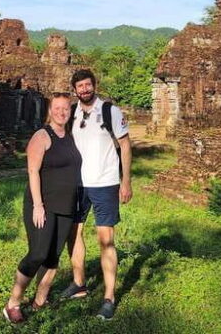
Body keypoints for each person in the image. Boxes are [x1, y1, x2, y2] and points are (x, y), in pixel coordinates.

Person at [60, 69, 132, 321]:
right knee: (73, 233)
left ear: (94, 85)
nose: (84, 89)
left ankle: (109, 297)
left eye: (88, 85)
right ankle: (79, 283)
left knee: (105, 239)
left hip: (104, 182)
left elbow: (124, 144)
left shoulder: (110, 110)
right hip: (78, 184)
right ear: (75, 89)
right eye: (80, 86)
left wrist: (126, 181)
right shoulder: (72, 113)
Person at [4, 93, 82, 324]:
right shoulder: (42, 135)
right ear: (50, 111)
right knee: (38, 253)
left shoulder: (70, 136)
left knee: (53, 256)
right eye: (57, 108)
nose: (61, 112)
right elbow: (32, 171)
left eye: (65, 108)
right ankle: (13, 303)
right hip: (43, 205)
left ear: (70, 111)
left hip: (66, 205)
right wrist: (38, 205)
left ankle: (40, 299)